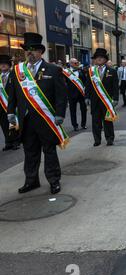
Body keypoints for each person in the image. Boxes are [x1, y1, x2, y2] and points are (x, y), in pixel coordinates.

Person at [7, 32, 68, 194]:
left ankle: (54, 180)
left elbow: (61, 95)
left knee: (49, 151)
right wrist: (10, 112)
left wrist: (60, 114)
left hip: (45, 118)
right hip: (26, 120)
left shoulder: (53, 70)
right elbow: (11, 95)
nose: (30, 53)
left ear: (41, 52)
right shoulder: (17, 71)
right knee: (30, 152)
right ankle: (31, 181)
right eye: (27, 49)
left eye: (33, 50)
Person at [85, 48, 119, 146]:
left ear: (105, 59)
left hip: (107, 100)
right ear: (95, 60)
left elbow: (115, 87)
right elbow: (88, 85)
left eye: (101, 57)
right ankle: (97, 139)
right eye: (97, 58)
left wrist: (116, 98)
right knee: (95, 120)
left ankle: (110, 138)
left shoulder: (112, 71)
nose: (99, 59)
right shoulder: (91, 71)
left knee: (108, 120)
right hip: (94, 100)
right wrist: (86, 97)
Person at [0, 54, 20, 151]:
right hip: (1, 105)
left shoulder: (13, 75)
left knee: (13, 122)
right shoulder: (0, 77)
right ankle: (8, 142)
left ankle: (16, 141)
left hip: (12, 103)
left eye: (5, 64)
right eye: (1, 64)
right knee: (3, 124)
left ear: (9, 65)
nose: (3, 65)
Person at [63, 58, 87, 131]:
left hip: (81, 93)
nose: (77, 64)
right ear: (70, 64)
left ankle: (83, 124)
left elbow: (85, 81)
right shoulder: (66, 72)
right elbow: (64, 83)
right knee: (73, 111)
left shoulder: (81, 70)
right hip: (71, 94)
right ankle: (75, 125)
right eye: (75, 63)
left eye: (77, 62)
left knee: (84, 109)